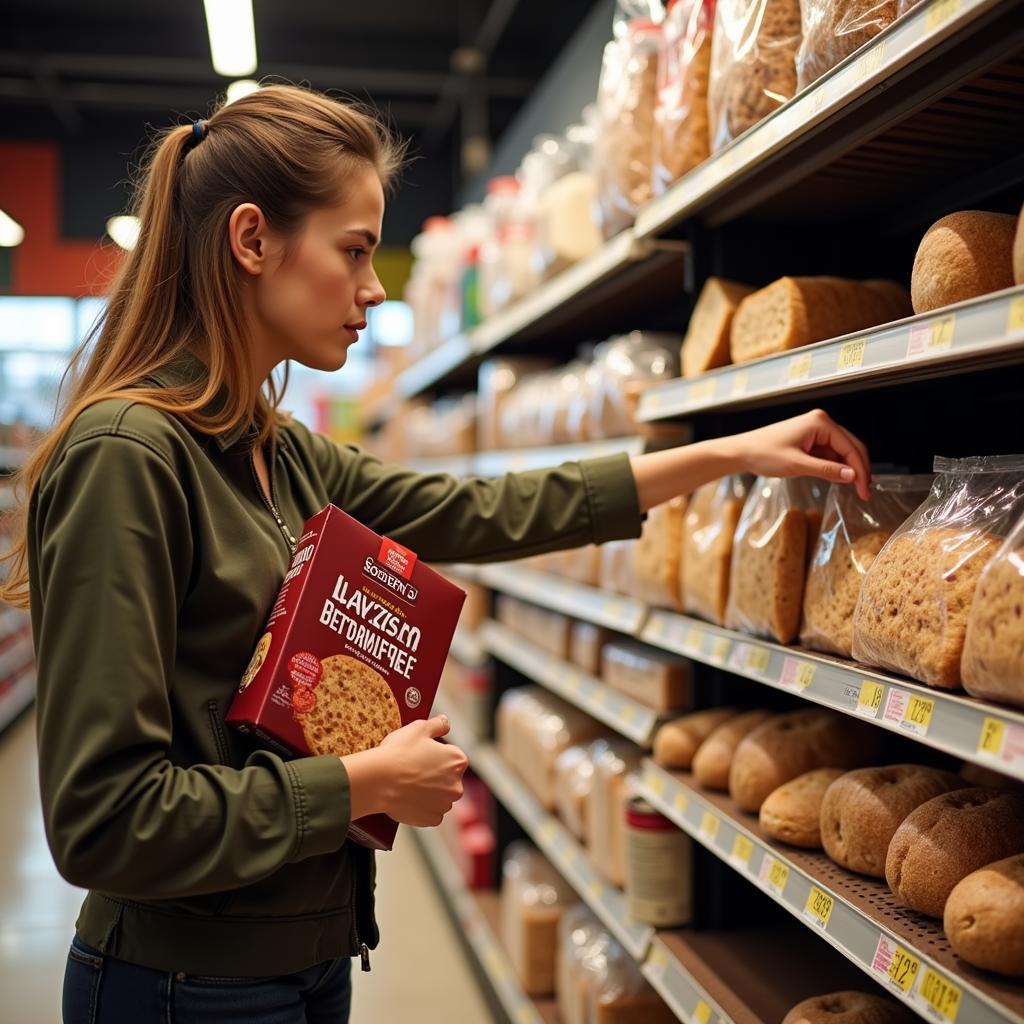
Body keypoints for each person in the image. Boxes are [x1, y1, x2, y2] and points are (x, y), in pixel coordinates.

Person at [0, 84, 871, 1024]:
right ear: (252, 241)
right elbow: (104, 820)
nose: (377, 287)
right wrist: (364, 784)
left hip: (306, 956)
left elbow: (477, 509)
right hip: (182, 985)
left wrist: (728, 453)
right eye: (356, 249)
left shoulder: (276, 450)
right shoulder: (129, 458)